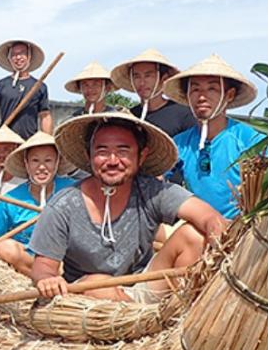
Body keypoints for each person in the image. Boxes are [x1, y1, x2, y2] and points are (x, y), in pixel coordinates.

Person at [28, 112, 226, 304]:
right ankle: (146, 319)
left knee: (194, 236)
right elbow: (43, 266)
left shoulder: (152, 191)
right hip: (88, 296)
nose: (113, 161)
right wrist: (47, 280)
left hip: (142, 288)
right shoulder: (63, 205)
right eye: (102, 151)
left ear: (141, 156)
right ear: (89, 155)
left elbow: (207, 216)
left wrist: (218, 239)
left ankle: (175, 312)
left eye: (123, 151)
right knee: (97, 284)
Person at [0, 132, 74, 277]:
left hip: (63, 259)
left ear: (57, 162)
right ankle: (45, 277)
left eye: (48, 161)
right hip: (29, 260)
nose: (41, 167)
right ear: (26, 164)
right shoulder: (11, 199)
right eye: (35, 161)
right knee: (5, 247)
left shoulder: (72, 190)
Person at [163, 55, 263, 219]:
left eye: (212, 89)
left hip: (242, 230)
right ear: (187, 96)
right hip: (196, 226)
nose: (201, 97)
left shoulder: (250, 139)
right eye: (195, 89)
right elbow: (155, 178)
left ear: (229, 95)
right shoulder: (180, 144)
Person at [110, 48, 198, 137]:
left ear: (164, 79)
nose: (142, 82)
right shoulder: (131, 115)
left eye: (148, 76)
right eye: (136, 76)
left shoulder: (183, 114)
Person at [0, 39, 53, 142]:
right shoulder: (0, 85)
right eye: (14, 54)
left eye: (22, 53)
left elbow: (45, 115)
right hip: (6, 142)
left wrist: (46, 141)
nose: (18, 57)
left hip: (28, 143)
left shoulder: (39, 86)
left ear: (29, 57)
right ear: (9, 58)